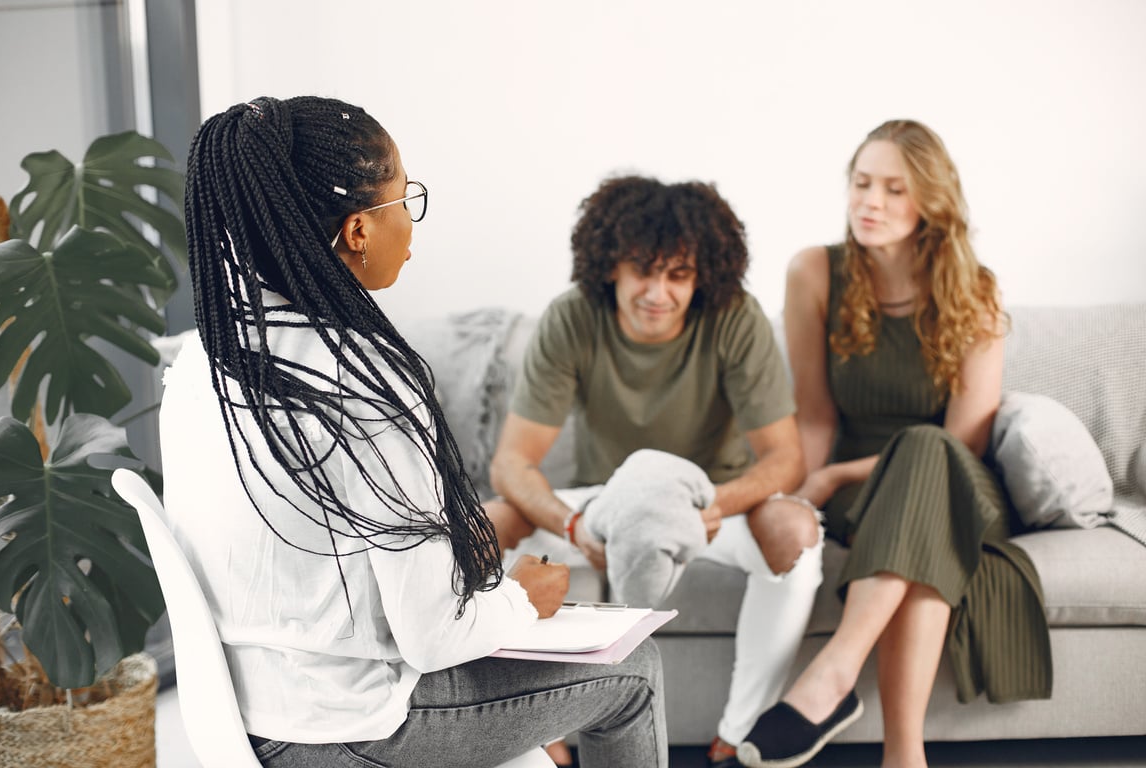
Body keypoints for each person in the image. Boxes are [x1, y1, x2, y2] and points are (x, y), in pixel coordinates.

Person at [158, 95, 668, 768]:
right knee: (635, 670)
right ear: (359, 230)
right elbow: (432, 638)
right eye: (405, 198)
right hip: (354, 731)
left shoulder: (203, 359)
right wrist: (522, 598)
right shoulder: (365, 381)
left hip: (245, 723)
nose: (411, 222)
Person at [736, 119, 1051, 768]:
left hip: (956, 482)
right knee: (918, 544)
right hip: (862, 496)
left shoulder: (976, 292)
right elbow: (817, 414)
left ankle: (833, 674)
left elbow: (962, 441)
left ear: (931, 204)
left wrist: (836, 476)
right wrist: (804, 491)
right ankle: (904, 759)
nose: (869, 202)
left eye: (894, 190)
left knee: (925, 452)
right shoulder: (814, 272)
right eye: (861, 183)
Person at [485, 175, 825, 768]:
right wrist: (574, 527)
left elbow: (786, 457)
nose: (657, 293)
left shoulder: (735, 318)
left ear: (703, 277)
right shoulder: (571, 317)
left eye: (678, 275)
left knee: (796, 531)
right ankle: (538, 735)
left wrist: (713, 508)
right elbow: (512, 462)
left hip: (711, 503)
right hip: (602, 505)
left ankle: (738, 735)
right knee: (487, 522)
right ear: (610, 266)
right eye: (642, 270)